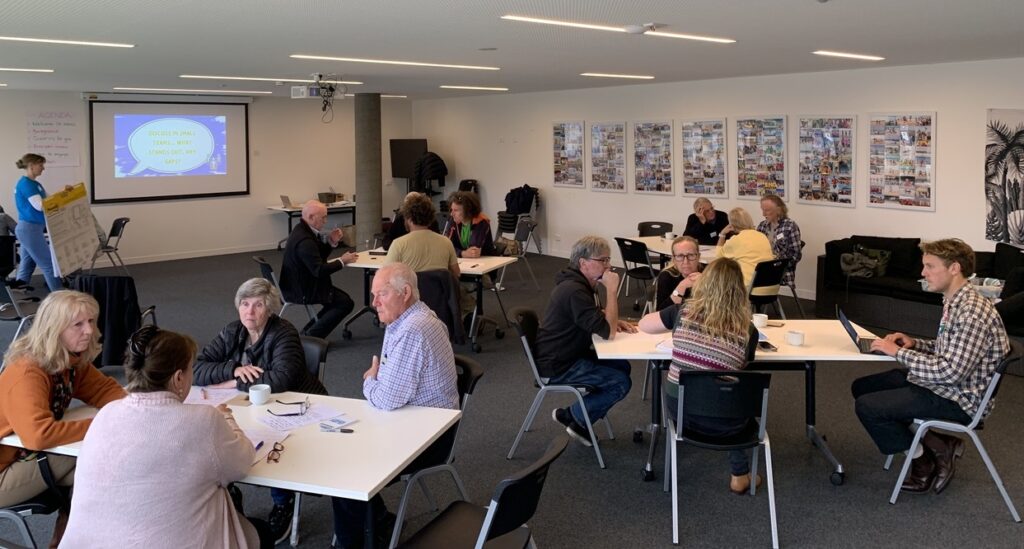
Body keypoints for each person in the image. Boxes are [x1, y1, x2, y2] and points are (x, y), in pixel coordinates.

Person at [60, 326, 274, 549]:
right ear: (179, 378)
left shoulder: (106, 414)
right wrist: (228, 419)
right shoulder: (204, 420)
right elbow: (242, 463)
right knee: (262, 532)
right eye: (191, 369)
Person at [852, 239, 1009, 495]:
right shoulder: (954, 300)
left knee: (868, 407)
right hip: (947, 384)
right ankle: (940, 443)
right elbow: (949, 347)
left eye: (930, 266)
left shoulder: (972, 312)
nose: (923, 273)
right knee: (862, 388)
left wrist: (900, 353)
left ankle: (922, 462)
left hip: (960, 398)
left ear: (954, 268)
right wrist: (916, 344)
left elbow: (950, 372)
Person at [332, 262, 458, 548]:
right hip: (413, 420)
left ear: (405, 292)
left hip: (430, 436)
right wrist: (380, 382)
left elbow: (387, 398)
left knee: (344, 472)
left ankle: (351, 542)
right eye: (374, 294)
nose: (374, 302)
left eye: (382, 295)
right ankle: (378, 520)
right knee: (344, 449)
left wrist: (369, 381)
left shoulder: (413, 328)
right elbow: (389, 388)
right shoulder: (408, 318)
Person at [193, 277, 328, 543]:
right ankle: (232, 494)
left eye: (257, 305)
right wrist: (233, 368)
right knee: (228, 436)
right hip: (251, 406)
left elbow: (280, 380)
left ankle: (283, 501)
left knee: (271, 445)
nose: (249, 311)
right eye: (244, 304)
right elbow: (197, 369)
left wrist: (231, 380)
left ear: (269, 309)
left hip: (296, 407)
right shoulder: (233, 331)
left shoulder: (283, 332)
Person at [0, 290, 126, 548]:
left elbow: (106, 391)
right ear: (54, 329)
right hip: (4, 470)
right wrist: (104, 425)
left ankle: (67, 542)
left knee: (103, 468)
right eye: (78, 324)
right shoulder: (28, 372)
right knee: (101, 460)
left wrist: (126, 411)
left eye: (91, 321)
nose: (89, 331)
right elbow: (39, 435)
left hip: (24, 457)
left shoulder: (70, 361)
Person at [639, 258, 760, 494]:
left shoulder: (682, 312)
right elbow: (741, 366)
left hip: (681, 413)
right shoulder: (749, 330)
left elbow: (644, 324)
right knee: (729, 397)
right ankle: (739, 474)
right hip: (729, 424)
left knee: (708, 393)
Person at [534, 236, 635, 446]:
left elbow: (593, 317)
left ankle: (576, 413)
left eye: (608, 260)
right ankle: (576, 417)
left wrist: (615, 318)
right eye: (603, 260)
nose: (608, 266)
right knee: (620, 382)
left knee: (622, 366)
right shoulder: (574, 290)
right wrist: (612, 291)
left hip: (566, 353)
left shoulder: (578, 284)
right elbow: (607, 332)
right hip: (558, 364)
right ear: (583, 263)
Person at [278, 200, 357, 340]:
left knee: (338, 301)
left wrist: (331, 242)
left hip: (298, 283)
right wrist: (342, 261)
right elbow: (319, 270)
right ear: (311, 217)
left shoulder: (302, 230)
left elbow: (316, 257)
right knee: (345, 303)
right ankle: (310, 337)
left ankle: (309, 333)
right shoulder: (305, 240)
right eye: (323, 217)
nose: (326, 221)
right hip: (302, 289)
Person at [12, 154, 63, 291]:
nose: (43, 168)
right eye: (41, 165)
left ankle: (19, 289)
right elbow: (40, 206)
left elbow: (50, 198)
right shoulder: (26, 184)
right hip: (29, 229)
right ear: (31, 166)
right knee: (48, 264)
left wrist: (64, 193)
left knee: (28, 261)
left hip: (30, 229)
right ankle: (59, 296)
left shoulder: (35, 184)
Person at [385, 193, 460, 279]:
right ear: (431, 217)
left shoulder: (398, 244)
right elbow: (456, 273)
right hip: (438, 291)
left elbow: (386, 276)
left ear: (408, 218)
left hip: (410, 291)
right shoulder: (446, 243)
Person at [716, 207, 774, 288]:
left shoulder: (736, 240)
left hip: (747, 288)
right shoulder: (762, 236)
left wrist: (722, 234)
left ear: (731, 224)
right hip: (770, 286)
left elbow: (718, 257)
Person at [757, 194, 802, 288]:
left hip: (781, 270)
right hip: (761, 266)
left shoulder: (790, 226)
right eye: (762, 210)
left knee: (748, 279)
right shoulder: (762, 226)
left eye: (767, 210)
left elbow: (796, 255)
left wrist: (775, 264)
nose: (763, 214)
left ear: (779, 210)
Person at [655, 236, 702, 310]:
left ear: (698, 256)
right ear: (674, 259)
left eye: (691, 255)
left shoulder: (709, 273)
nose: (686, 262)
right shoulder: (666, 276)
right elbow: (660, 312)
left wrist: (706, 282)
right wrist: (682, 286)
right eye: (680, 256)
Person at [445, 191, 496, 258]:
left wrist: (458, 252)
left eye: (456, 210)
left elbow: (473, 251)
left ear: (468, 210)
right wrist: (462, 253)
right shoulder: (453, 220)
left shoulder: (481, 221)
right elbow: (446, 247)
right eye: (452, 210)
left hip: (485, 261)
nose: (452, 214)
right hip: (464, 261)